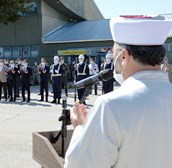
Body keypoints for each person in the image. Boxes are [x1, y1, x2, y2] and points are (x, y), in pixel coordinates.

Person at [65, 15, 172, 168]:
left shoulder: (110, 105)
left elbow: (81, 164)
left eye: (114, 53)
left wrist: (80, 127)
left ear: (123, 56)